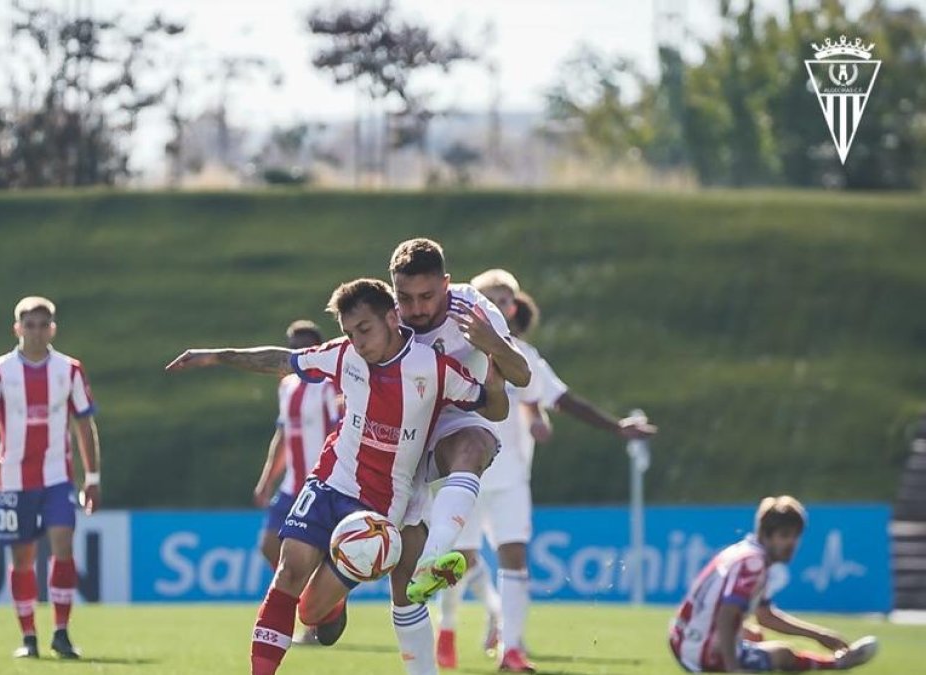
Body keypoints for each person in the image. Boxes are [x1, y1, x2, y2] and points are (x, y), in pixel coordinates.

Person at [165, 278, 509, 675]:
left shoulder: (433, 368)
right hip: (331, 481)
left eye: (364, 329)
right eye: (350, 332)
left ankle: (332, 603)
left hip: (380, 510)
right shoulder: (344, 356)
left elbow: (490, 405)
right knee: (288, 571)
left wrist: (497, 376)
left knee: (312, 613)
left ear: (392, 317)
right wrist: (218, 356)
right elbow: (282, 360)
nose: (358, 341)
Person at [436, 269, 657, 672]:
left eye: (508, 300)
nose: (503, 306)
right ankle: (452, 627)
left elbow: (563, 399)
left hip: (510, 477)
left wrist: (616, 427)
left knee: (514, 557)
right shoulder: (452, 353)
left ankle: (512, 649)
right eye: (494, 298)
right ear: (474, 303)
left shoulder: (524, 358)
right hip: (462, 475)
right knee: (459, 560)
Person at [374, 239, 530, 675]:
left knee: (475, 445)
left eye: (427, 297)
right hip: (399, 436)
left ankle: (437, 554)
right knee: (399, 581)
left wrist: (490, 343)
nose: (416, 309)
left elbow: (521, 374)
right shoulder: (383, 316)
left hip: (457, 420)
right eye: (405, 297)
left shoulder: (474, 310)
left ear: (446, 284)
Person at [0, 296, 102, 660]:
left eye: (43, 324)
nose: (36, 331)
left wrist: (91, 476)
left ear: (53, 329)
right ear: (17, 329)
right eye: (29, 325)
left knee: (63, 544)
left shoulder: (69, 369)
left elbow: (84, 425)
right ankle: (28, 636)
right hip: (13, 480)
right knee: (23, 555)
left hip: (58, 477)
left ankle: (61, 631)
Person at [669, 496, 878, 672]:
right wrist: (734, 669)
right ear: (766, 535)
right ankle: (837, 663)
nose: (792, 544)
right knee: (783, 654)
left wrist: (819, 635)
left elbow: (764, 616)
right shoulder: (754, 563)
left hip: (683, 639)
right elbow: (727, 612)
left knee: (754, 634)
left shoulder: (743, 552)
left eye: (796, 536)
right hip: (700, 652)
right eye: (784, 536)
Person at [254, 320, 341, 571]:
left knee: (319, 554)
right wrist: (267, 480)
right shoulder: (287, 386)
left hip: (321, 485)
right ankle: (297, 597)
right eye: (293, 348)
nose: (298, 353)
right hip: (292, 484)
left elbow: (340, 431)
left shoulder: (329, 385)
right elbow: (283, 436)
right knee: (269, 546)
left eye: (304, 347)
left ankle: (315, 602)